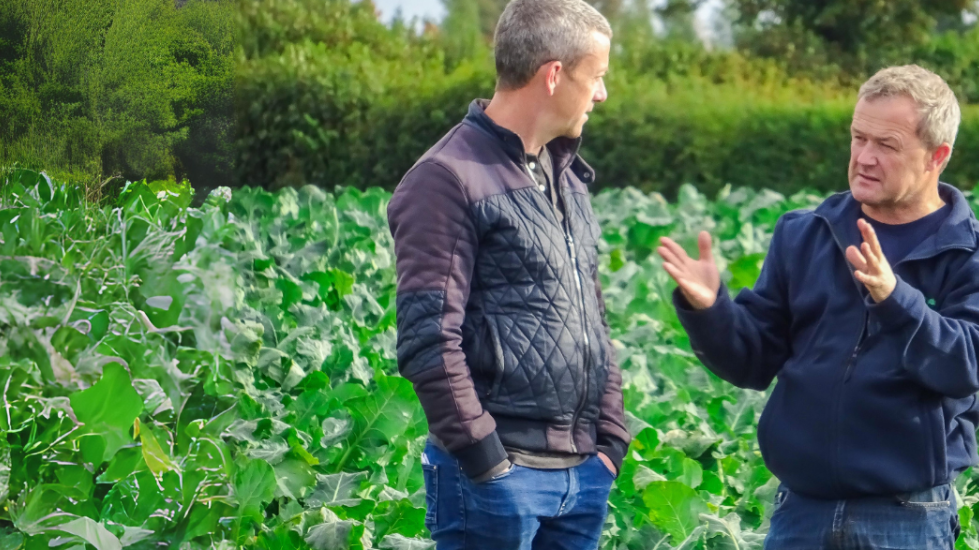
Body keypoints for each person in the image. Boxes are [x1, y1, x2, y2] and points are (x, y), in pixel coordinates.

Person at [658, 64, 978, 549]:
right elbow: (753, 361)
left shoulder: (967, 252)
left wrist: (895, 300)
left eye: (886, 145)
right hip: (801, 512)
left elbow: (966, 365)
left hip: (906, 517)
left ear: (938, 156)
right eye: (858, 138)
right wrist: (711, 311)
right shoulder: (805, 232)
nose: (864, 158)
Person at [387, 0, 631, 548]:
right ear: (553, 75)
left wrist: (611, 441)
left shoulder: (566, 176)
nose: (601, 94)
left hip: (582, 477)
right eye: (596, 76)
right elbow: (428, 338)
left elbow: (593, 316)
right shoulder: (447, 178)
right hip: (501, 480)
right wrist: (486, 459)